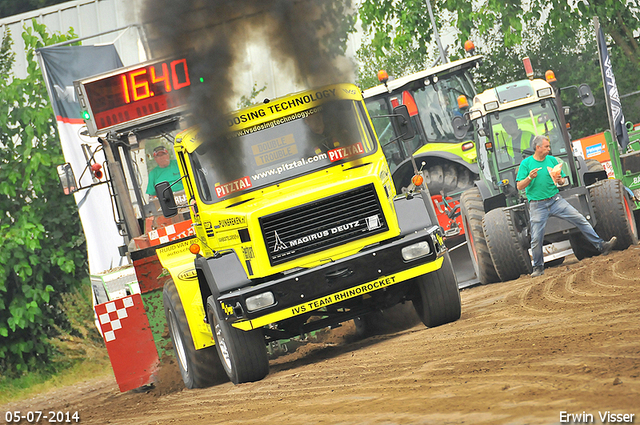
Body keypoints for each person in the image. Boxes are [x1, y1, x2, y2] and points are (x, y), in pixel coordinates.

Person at [516, 135, 616, 277]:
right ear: (538, 148)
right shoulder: (526, 164)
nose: (549, 149)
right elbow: (520, 185)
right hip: (537, 205)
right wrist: (529, 177)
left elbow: (562, 181)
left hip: (555, 200)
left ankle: (601, 245)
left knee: (580, 219)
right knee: (537, 237)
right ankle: (538, 267)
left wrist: (559, 179)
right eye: (546, 146)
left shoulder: (552, 160)